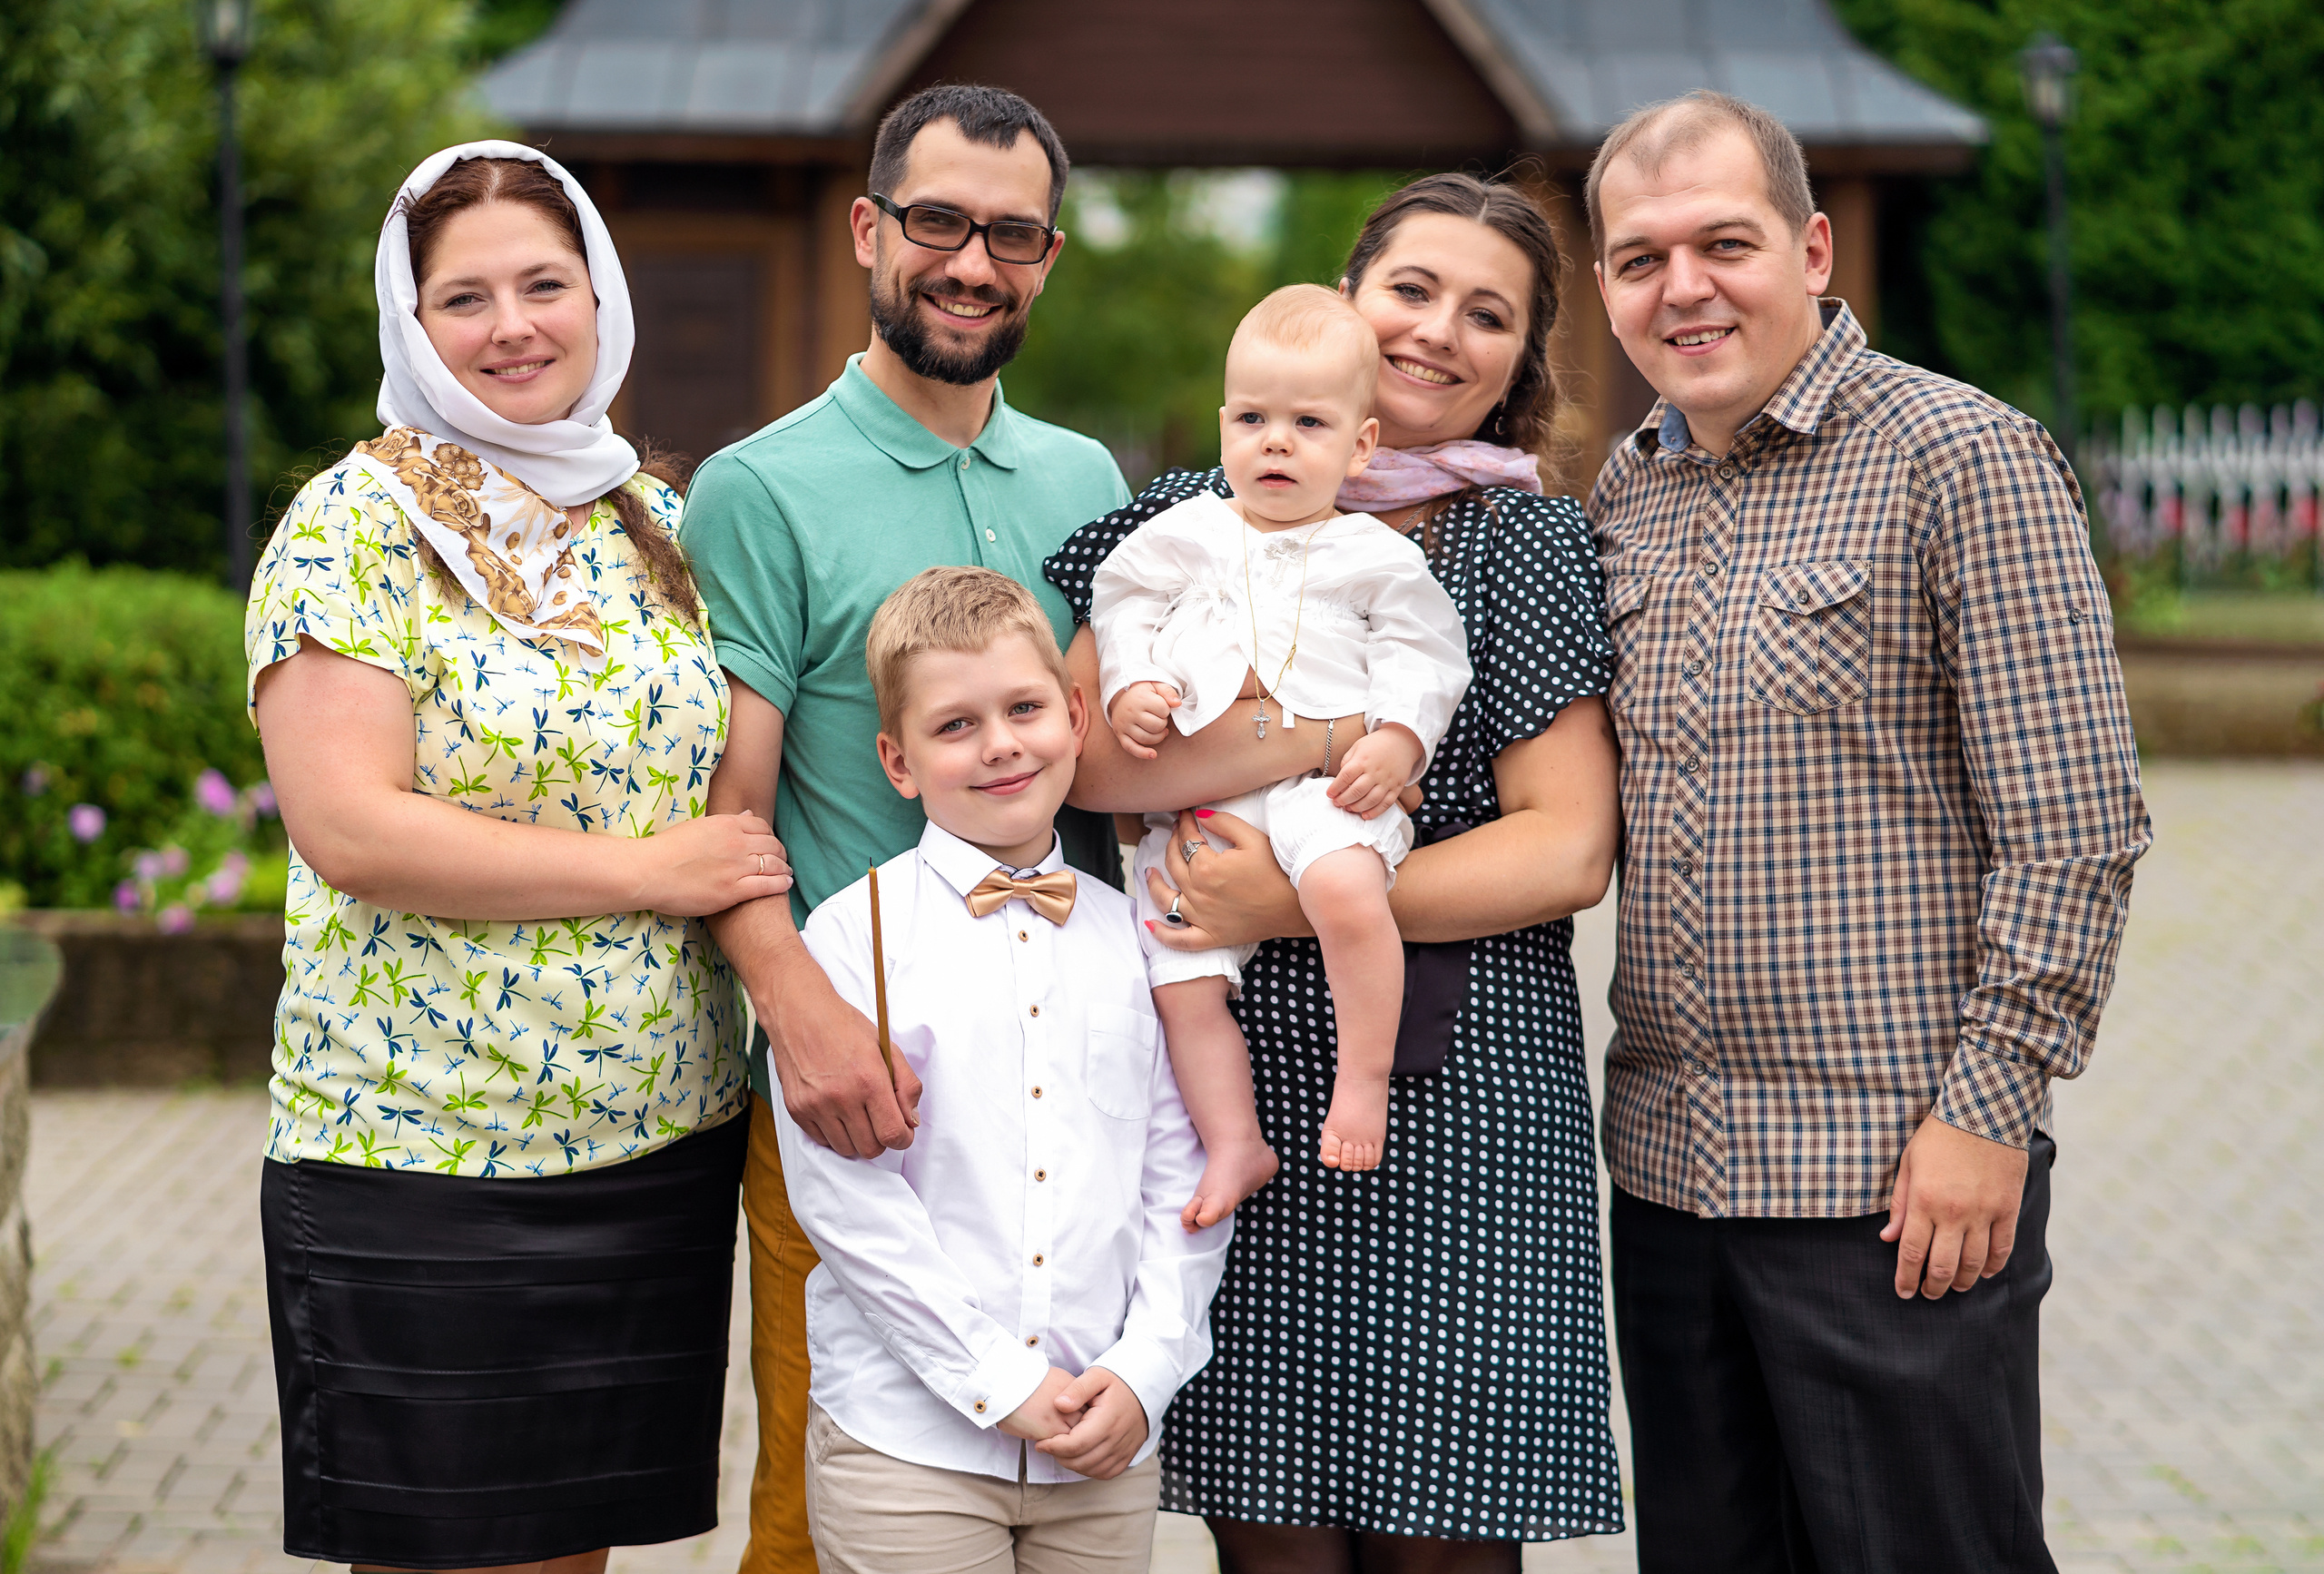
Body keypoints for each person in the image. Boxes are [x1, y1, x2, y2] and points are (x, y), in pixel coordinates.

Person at [1584, 91, 2152, 1571]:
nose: (1683, 286)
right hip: (1668, 1184)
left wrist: (1988, 1109)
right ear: (1603, 288)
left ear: (1814, 247)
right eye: (1640, 257)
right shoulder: (1626, 489)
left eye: (1725, 242)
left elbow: (2077, 822)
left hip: (1893, 1186)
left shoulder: (1963, 456)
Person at [1046, 172, 1624, 1571]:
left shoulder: (1523, 542)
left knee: (1446, 1536)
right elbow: (1080, 760)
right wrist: (1299, 735)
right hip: (1226, 1081)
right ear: (1350, 303)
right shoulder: (1190, 507)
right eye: (1411, 290)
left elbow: (1568, 843)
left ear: (1519, 364)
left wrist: (1289, 896)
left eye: (1488, 315)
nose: (1439, 331)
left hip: (1462, 1102)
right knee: (1273, 1533)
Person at [247, 142, 792, 1573]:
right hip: (419, 1151)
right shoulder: (352, 527)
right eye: (465, 298)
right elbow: (351, 828)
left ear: (601, 295)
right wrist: (652, 871)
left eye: (546, 282)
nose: (515, 325)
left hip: (653, 1145)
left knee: (575, 1558)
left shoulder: (655, 525)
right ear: (410, 326)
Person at [680, 84, 1137, 1574]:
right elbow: (725, 816)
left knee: (1063, 1471)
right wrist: (800, 1020)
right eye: (937, 221)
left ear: (1048, 256)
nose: (971, 261)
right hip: (860, 1100)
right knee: (821, 1510)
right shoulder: (757, 488)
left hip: (1062, 1101)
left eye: (1011, 233)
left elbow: (1120, 770)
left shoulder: (1087, 483)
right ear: (872, 227)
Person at [777, 566, 1230, 1572]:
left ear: (1075, 715)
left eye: (1024, 708)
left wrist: (1147, 1368)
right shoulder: (854, 937)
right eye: (955, 726)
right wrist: (996, 1381)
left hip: (1103, 1439)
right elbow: (848, 1202)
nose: (1000, 745)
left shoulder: (1143, 933)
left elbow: (1181, 1174)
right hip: (910, 1446)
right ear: (898, 762)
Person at [1093, 283, 1471, 1225]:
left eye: (1309, 422)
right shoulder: (1185, 530)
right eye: (1254, 418)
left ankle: (1364, 1077)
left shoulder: (1374, 554)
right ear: (1224, 427)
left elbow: (1426, 654)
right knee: (1177, 974)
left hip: (1324, 788)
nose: (1276, 442)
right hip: (1201, 799)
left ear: (1360, 445)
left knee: (1347, 891)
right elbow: (1122, 599)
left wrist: (1397, 737)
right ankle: (1234, 1142)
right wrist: (1131, 682)